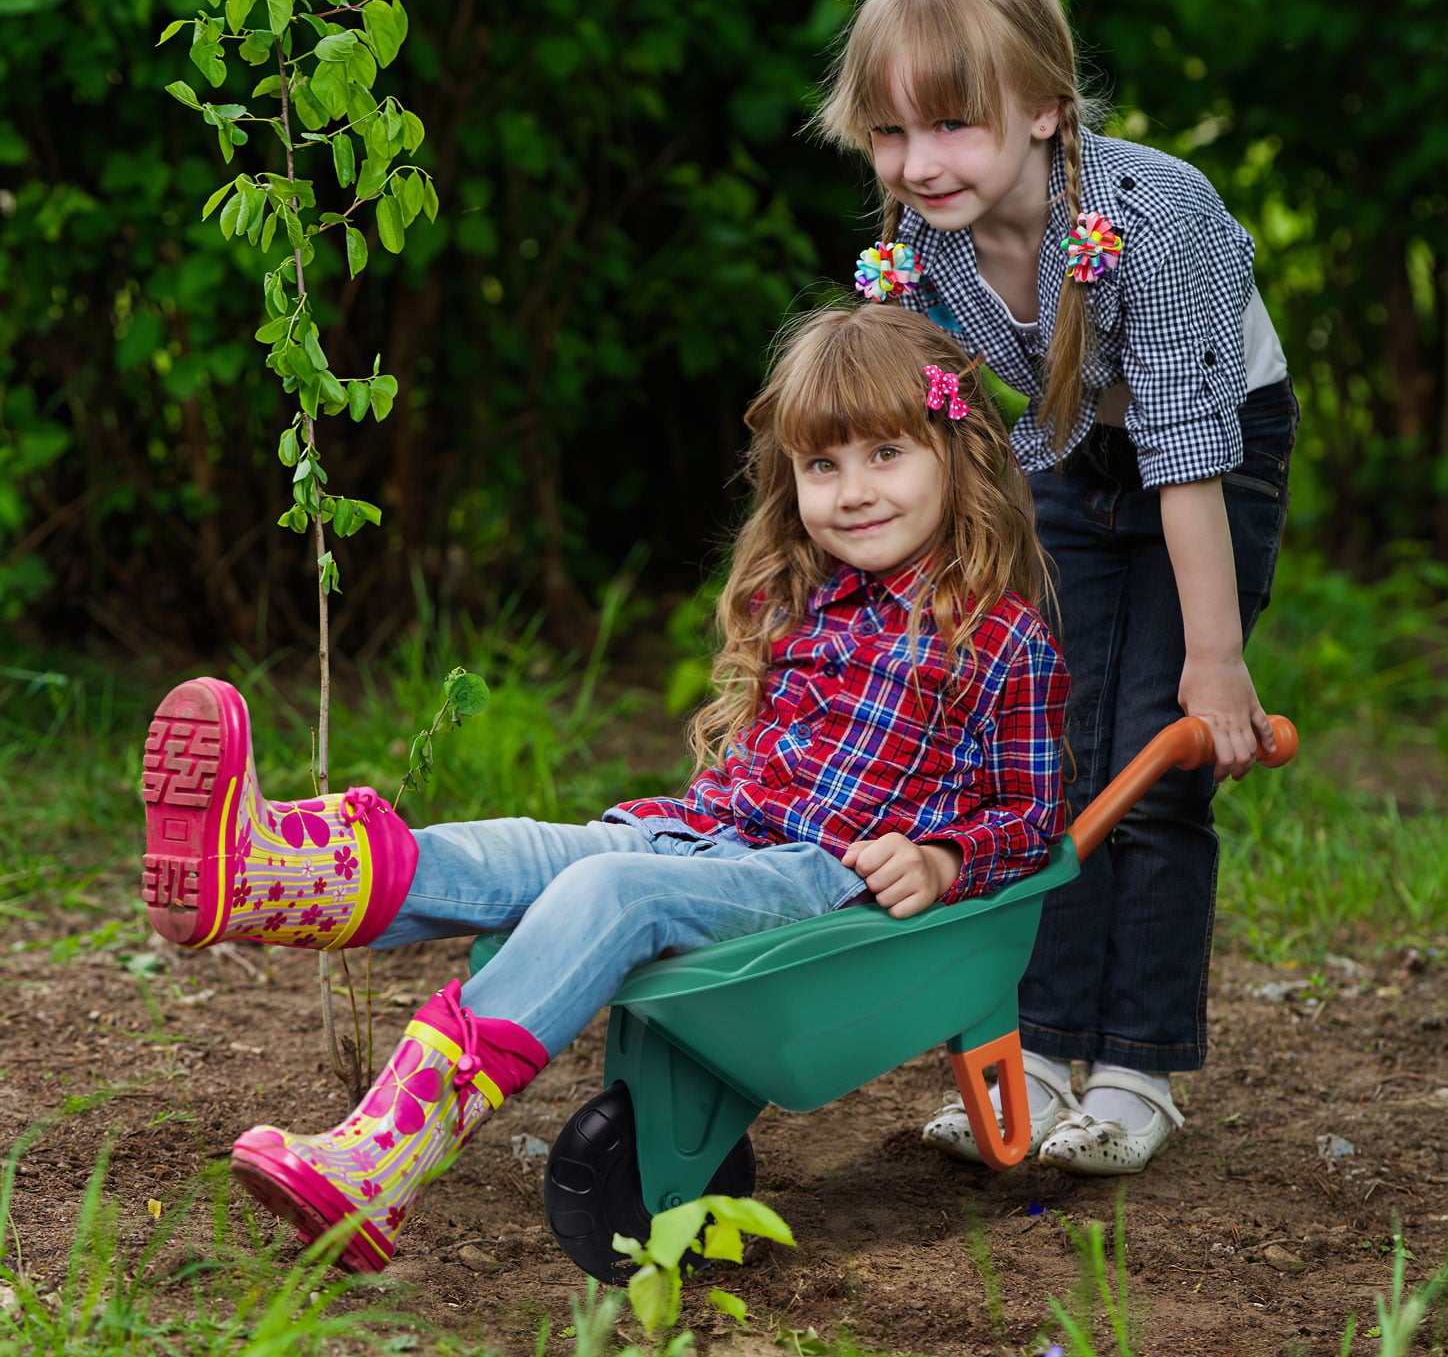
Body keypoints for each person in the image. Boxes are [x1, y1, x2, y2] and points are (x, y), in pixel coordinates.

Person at [137, 301, 1070, 1273]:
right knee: (514, 851)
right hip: (701, 835)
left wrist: (940, 855)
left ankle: (385, 1159)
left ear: (954, 453)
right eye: (821, 466)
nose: (851, 491)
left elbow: (1032, 818)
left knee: (604, 893)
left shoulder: (1002, 639)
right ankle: (256, 872)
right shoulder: (796, 594)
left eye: (886, 453)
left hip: (818, 878)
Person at [815, 0, 1299, 1175]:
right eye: (888, 132)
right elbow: (937, 448)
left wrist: (1215, 661)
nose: (917, 166)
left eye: (951, 128)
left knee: (1152, 747)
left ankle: (1134, 1067)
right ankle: (1028, 1048)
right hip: (1051, 458)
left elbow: (1185, 459)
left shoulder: (1160, 217)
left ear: (1041, 109)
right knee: (1037, 737)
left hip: (1209, 447)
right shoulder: (916, 248)